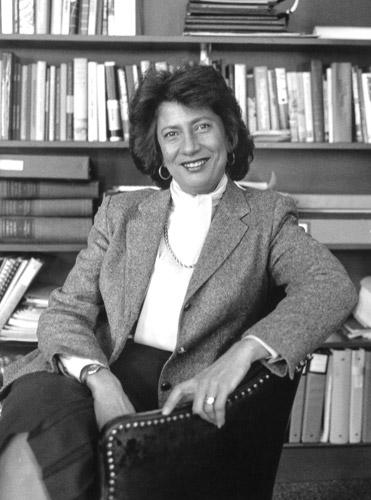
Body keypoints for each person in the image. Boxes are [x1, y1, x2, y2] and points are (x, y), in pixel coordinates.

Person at [0, 64, 357, 499]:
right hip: (95, 368)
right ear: (159, 150)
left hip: (184, 388)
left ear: (228, 134)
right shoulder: (122, 213)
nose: (189, 146)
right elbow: (66, 311)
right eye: (171, 134)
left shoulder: (267, 216)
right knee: (33, 420)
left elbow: (331, 287)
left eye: (202, 126)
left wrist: (242, 354)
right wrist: (100, 380)